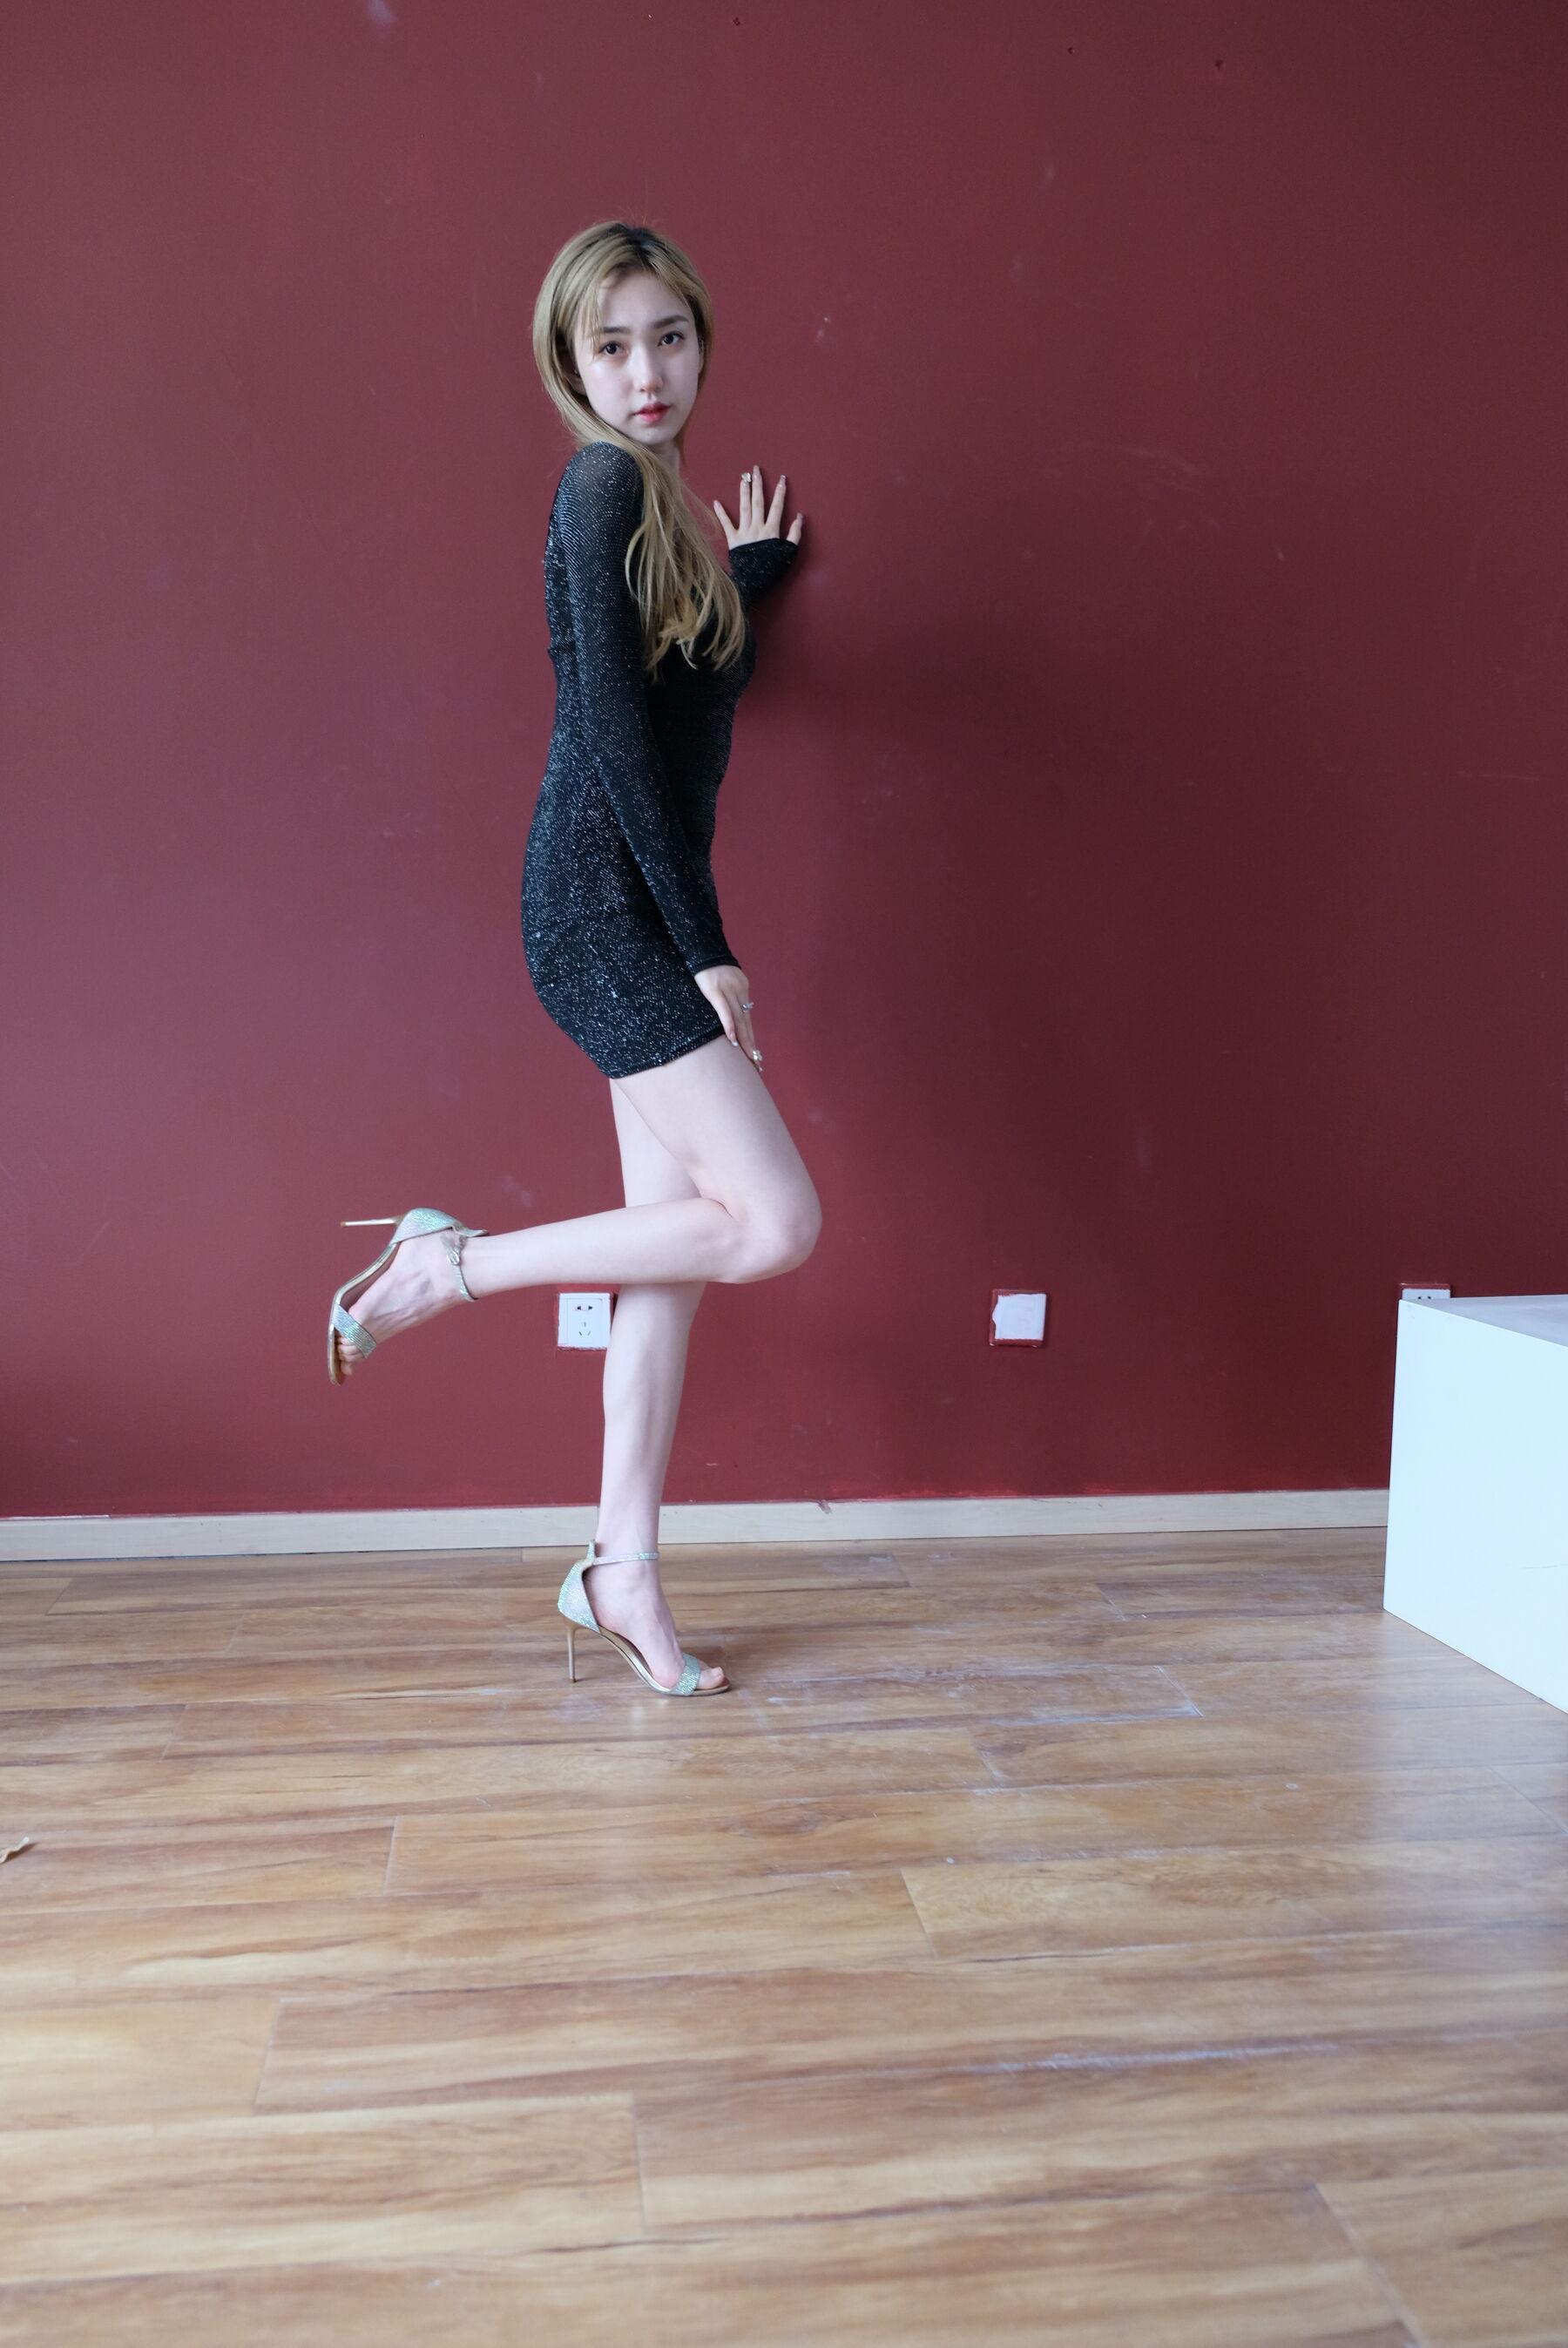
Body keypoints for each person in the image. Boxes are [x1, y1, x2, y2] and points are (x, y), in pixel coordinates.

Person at [326, 220, 821, 1698]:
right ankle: (450, 1265)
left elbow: (675, 682)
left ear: (702, 346)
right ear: (572, 364)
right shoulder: (601, 482)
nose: (646, 370)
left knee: (669, 1267)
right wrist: (708, 949)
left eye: (669, 337)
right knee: (775, 1223)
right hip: (607, 911)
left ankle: (622, 1571)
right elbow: (612, 731)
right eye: (612, 345)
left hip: (624, 903)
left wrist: (749, 576)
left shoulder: (657, 512)